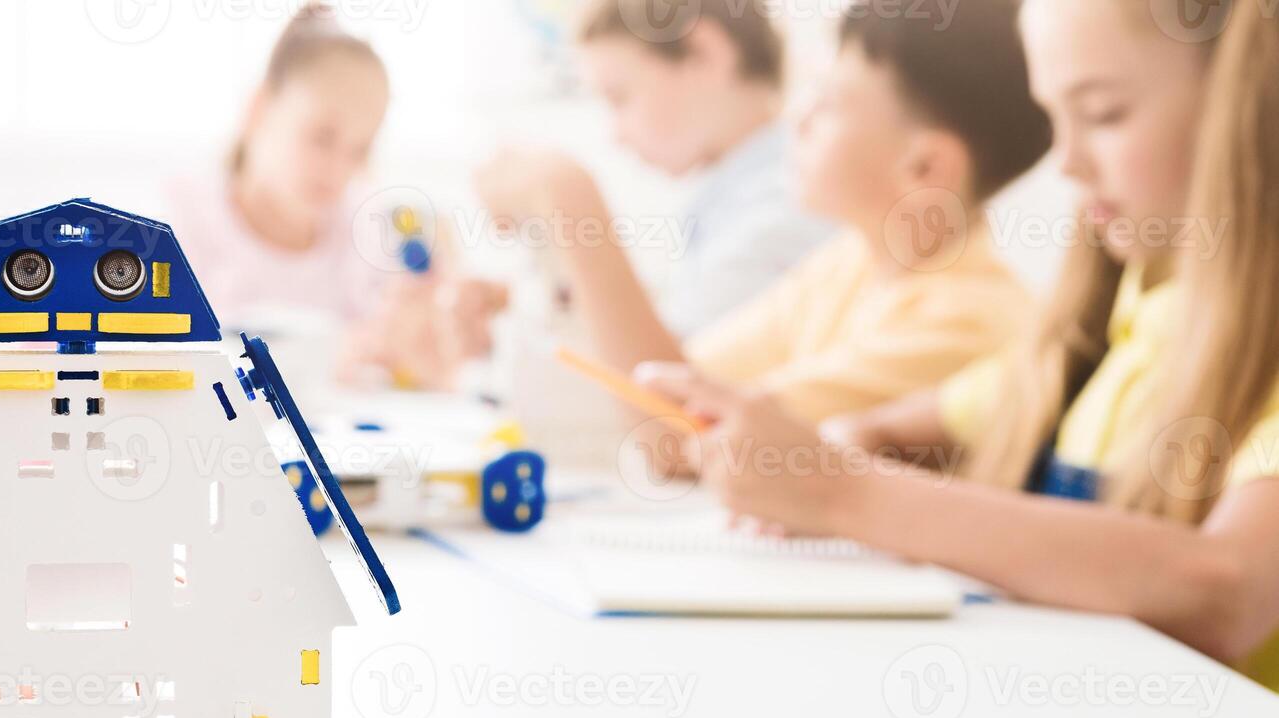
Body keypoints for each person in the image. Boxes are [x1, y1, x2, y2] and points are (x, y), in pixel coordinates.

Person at [644, 0, 1279, 682]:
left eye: (1102, 114)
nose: (1065, 162)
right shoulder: (1109, 327)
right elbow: (884, 427)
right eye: (1054, 117)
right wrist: (845, 455)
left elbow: (1227, 591)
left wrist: (841, 493)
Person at [482, 0, 1053, 423]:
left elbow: (671, 429)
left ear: (924, 170)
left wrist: (572, 202)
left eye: (827, 102)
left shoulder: (965, 320)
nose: (798, 118)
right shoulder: (846, 265)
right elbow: (676, 384)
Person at [168, 3, 504, 387]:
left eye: (360, 149)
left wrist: (429, 342)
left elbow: (424, 375)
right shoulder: (179, 221)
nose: (339, 169)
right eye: (322, 137)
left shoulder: (370, 234)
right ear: (259, 107)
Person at [477, 0, 833, 343]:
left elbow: (667, 386)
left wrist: (567, 196)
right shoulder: (730, 202)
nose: (615, 135)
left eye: (620, 98)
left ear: (704, 52)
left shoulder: (790, 204)